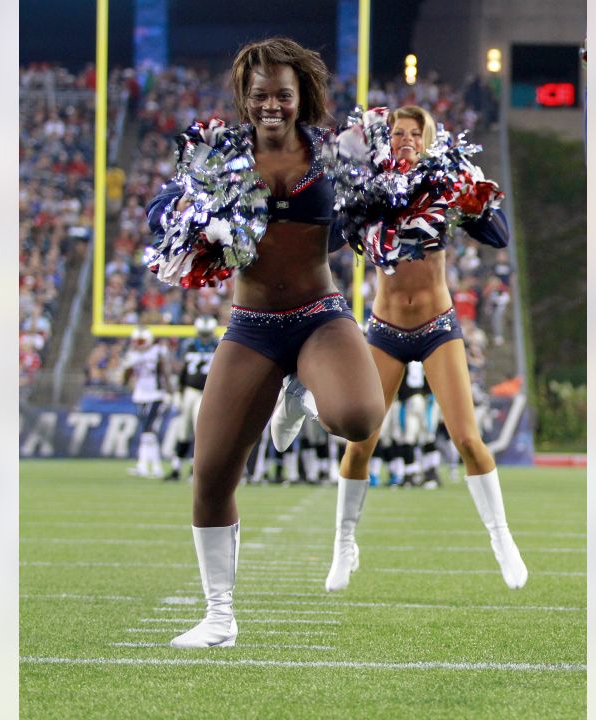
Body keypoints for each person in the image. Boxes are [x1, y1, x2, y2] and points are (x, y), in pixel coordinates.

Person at [146, 38, 384, 649]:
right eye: (259, 96)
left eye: (282, 94)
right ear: (244, 99)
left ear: (302, 94)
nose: (271, 105)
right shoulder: (217, 156)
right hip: (251, 325)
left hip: (318, 316)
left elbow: (380, 208)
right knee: (211, 472)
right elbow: (166, 218)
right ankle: (219, 616)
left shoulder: (338, 152)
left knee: (359, 417)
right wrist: (191, 225)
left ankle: (301, 387)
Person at [271, 105, 529, 592]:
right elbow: (326, 240)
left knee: (468, 440)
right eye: (398, 132)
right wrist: (349, 200)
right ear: (386, 139)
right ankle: (344, 543)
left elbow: (498, 235)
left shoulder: (442, 181)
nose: (406, 139)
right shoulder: (372, 183)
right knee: (359, 442)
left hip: (437, 325)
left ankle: (502, 540)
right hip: (385, 328)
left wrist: (472, 196)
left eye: (415, 133)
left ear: (428, 140)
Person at [165, 315, 219, 482]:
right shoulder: (189, 345)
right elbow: (182, 371)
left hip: (206, 393)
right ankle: (176, 468)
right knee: (183, 431)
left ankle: (194, 469)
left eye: (206, 333)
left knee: (199, 431)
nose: (204, 337)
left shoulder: (218, 346)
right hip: (189, 391)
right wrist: (178, 393)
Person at [123, 326, 170, 478]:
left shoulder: (157, 351)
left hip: (155, 394)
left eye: (141, 340)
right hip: (140, 394)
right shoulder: (132, 355)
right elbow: (125, 378)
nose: (138, 344)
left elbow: (164, 372)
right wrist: (127, 367)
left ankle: (147, 466)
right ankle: (152, 466)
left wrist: (170, 391)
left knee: (147, 430)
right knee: (147, 432)